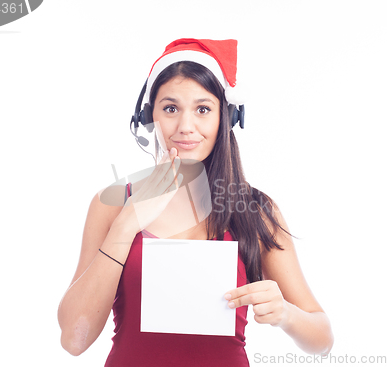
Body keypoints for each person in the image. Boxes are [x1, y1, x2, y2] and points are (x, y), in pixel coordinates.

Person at [57, 38, 334, 366]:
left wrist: (286, 313)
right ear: (150, 115)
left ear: (226, 116)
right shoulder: (112, 204)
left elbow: (322, 340)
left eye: (203, 109)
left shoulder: (257, 211)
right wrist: (128, 222)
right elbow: (75, 340)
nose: (186, 126)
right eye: (171, 108)